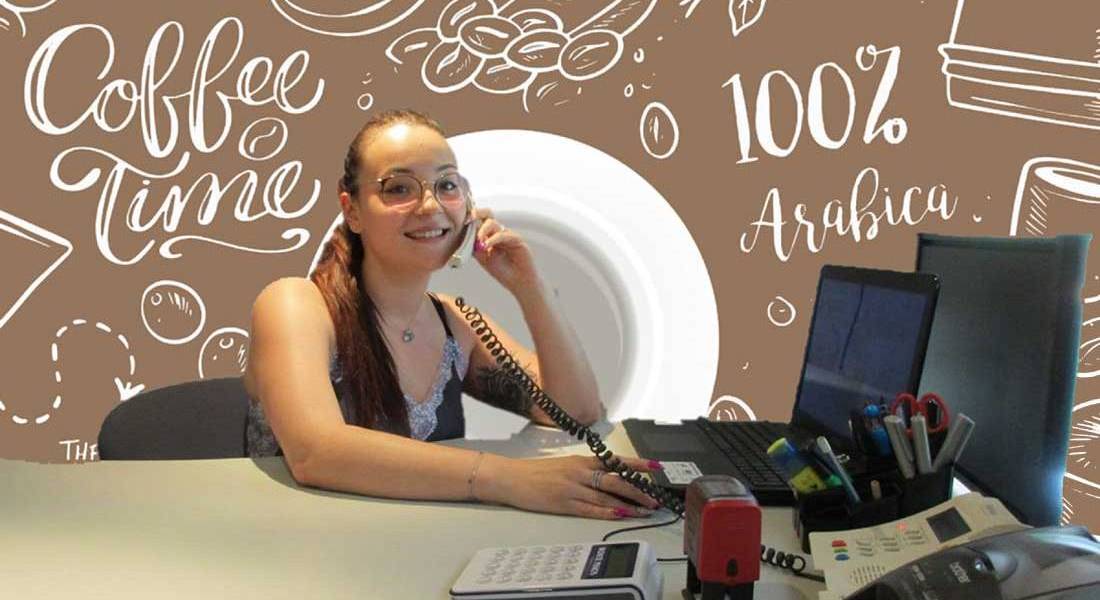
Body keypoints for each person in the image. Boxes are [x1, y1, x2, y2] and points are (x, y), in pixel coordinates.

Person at [243, 108, 662, 520]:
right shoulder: (294, 304)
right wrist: (510, 479)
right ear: (352, 210)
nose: (430, 206)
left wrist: (529, 287)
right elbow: (317, 453)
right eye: (399, 188)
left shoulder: (455, 323)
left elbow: (578, 412)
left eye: (446, 185)